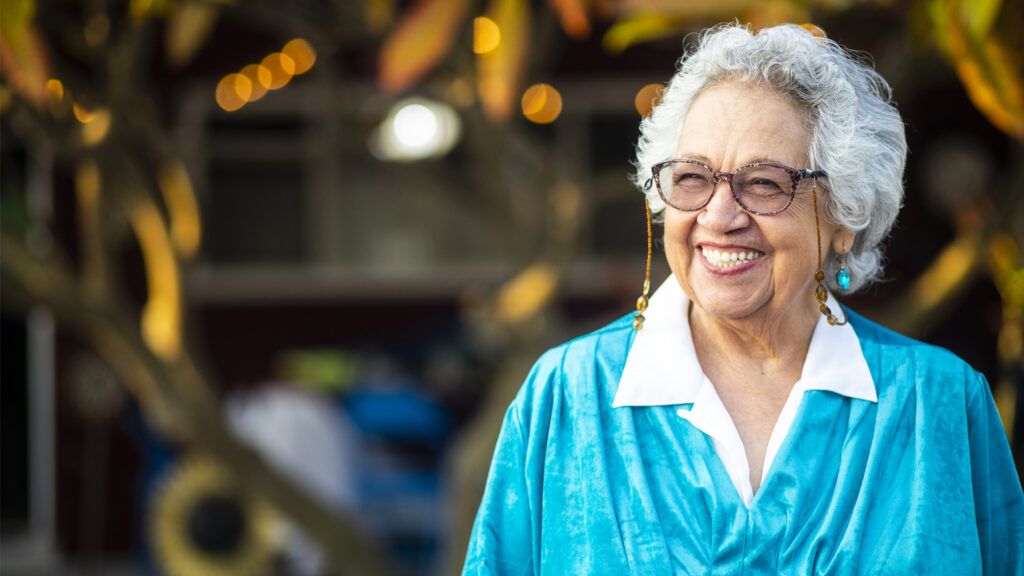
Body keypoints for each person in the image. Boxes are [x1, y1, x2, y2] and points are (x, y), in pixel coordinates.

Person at [462, 23, 1024, 574]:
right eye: (691, 178)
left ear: (844, 217)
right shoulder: (566, 396)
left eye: (764, 183)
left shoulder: (941, 403)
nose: (719, 217)